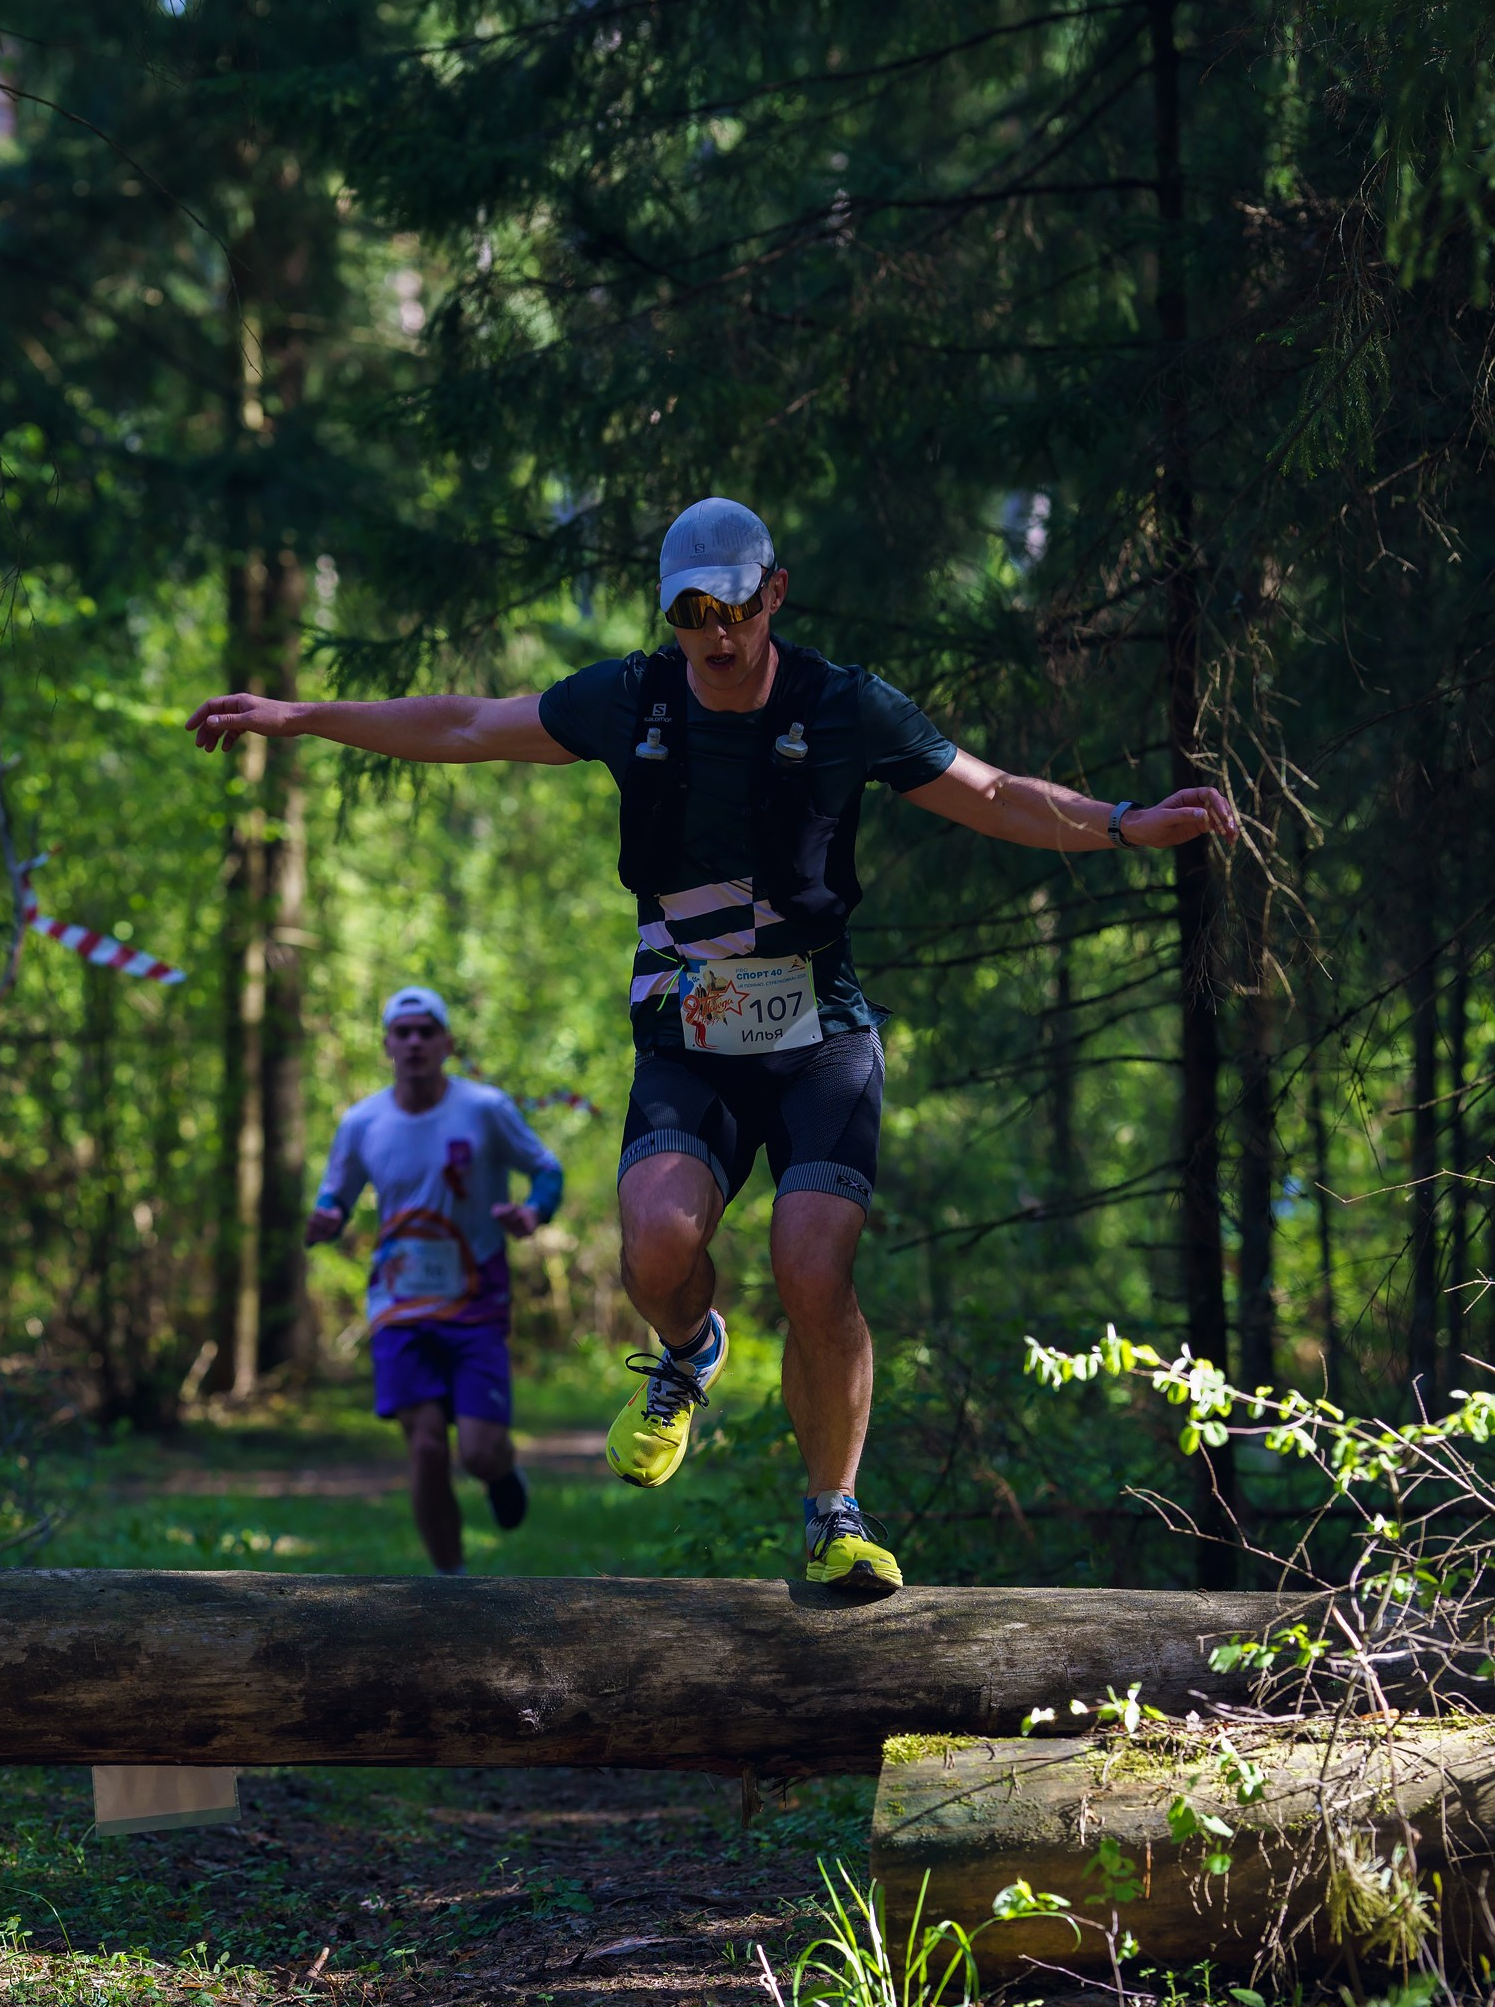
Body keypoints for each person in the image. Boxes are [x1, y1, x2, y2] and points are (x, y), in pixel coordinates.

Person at [195, 499, 1236, 1595]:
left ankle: (834, 1514)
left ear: (772, 594)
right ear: (668, 613)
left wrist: (1123, 821)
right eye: (691, 614)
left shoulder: (842, 706)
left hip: (818, 1038)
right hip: (688, 1039)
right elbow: (463, 724)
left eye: (733, 608)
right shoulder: (628, 698)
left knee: (811, 1264)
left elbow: (985, 793)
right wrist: (297, 717)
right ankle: (689, 1355)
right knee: (654, 1245)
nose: (715, 635)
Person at [309, 987, 563, 1574]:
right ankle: (451, 1586)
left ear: (447, 1042)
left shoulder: (486, 1109)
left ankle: (500, 1467)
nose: (416, 1042)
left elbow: (545, 1167)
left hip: (476, 1296)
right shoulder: (361, 1120)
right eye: (404, 1032)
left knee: (475, 1452)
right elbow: (337, 1190)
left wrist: (533, 1211)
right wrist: (327, 1216)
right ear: (386, 1045)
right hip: (398, 1300)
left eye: (427, 1031)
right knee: (424, 1446)